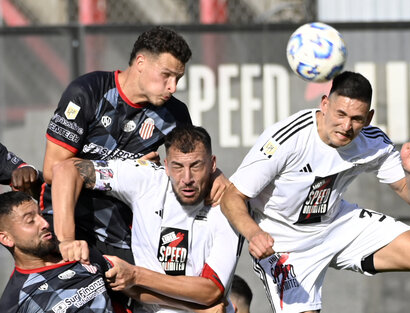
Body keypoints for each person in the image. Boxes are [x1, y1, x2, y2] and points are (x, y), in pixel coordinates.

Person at [220, 71, 410, 313]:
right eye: (340, 114)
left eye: (357, 119)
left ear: (369, 118)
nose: (346, 126)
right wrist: (254, 234)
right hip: (284, 244)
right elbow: (232, 196)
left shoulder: (372, 142)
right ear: (325, 104)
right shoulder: (286, 140)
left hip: (337, 224)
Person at [41, 26, 228, 264]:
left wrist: (216, 176)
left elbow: (189, 158)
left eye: (178, 78)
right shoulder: (88, 92)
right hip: (63, 223)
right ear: (140, 62)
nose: (173, 87)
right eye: (166, 75)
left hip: (117, 231)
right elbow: (52, 169)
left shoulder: (174, 113)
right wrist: (127, 167)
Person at [51, 125, 241, 312]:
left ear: (213, 164)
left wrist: (135, 275)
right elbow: (66, 169)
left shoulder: (228, 207)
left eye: (196, 166)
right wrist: (66, 240)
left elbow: (211, 292)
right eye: (177, 166)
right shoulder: (148, 179)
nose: (187, 178)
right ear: (166, 166)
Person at [0, 191, 130, 313]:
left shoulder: (81, 253)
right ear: (6, 238)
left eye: (40, 214)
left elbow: (133, 293)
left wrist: (132, 275)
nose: (44, 223)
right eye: (30, 221)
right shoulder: (15, 303)